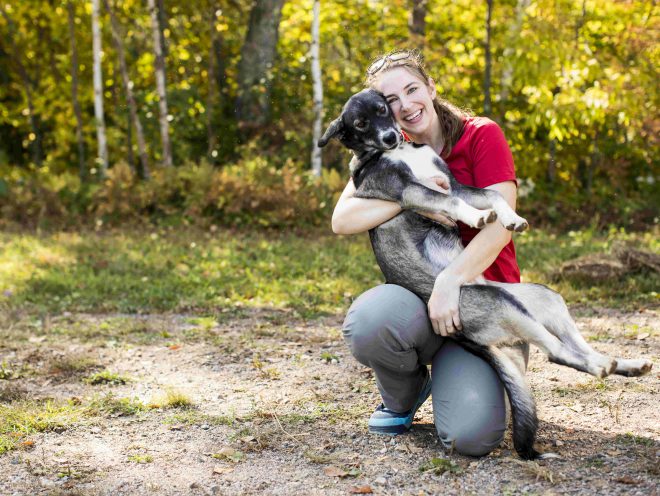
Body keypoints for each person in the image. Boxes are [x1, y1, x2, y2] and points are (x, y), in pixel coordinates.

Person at [333, 50, 529, 457]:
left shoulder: (480, 134)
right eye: (390, 101)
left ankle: (466, 376)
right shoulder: (388, 152)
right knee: (371, 320)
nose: (405, 105)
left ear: (431, 88)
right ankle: (407, 393)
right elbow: (343, 219)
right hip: (421, 304)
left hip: (484, 304)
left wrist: (451, 280)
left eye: (412, 89)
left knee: (469, 438)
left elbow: (499, 224)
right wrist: (411, 199)